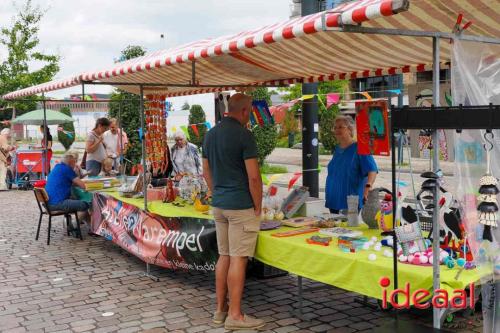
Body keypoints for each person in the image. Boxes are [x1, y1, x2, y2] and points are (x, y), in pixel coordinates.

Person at [202, 93, 265, 330]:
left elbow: (205, 172)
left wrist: (214, 191)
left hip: (219, 204)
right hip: (240, 206)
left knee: (224, 256)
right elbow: (254, 178)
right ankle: (236, 316)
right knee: (238, 258)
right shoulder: (245, 136)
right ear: (246, 111)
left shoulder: (210, 134)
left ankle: (220, 311)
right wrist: (258, 206)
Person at [325, 115, 378, 213]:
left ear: (350, 129)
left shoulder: (360, 148)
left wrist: (368, 187)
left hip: (350, 201)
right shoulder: (337, 149)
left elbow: (372, 169)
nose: (337, 130)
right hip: (333, 199)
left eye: (340, 127)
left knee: (349, 227)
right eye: (335, 127)